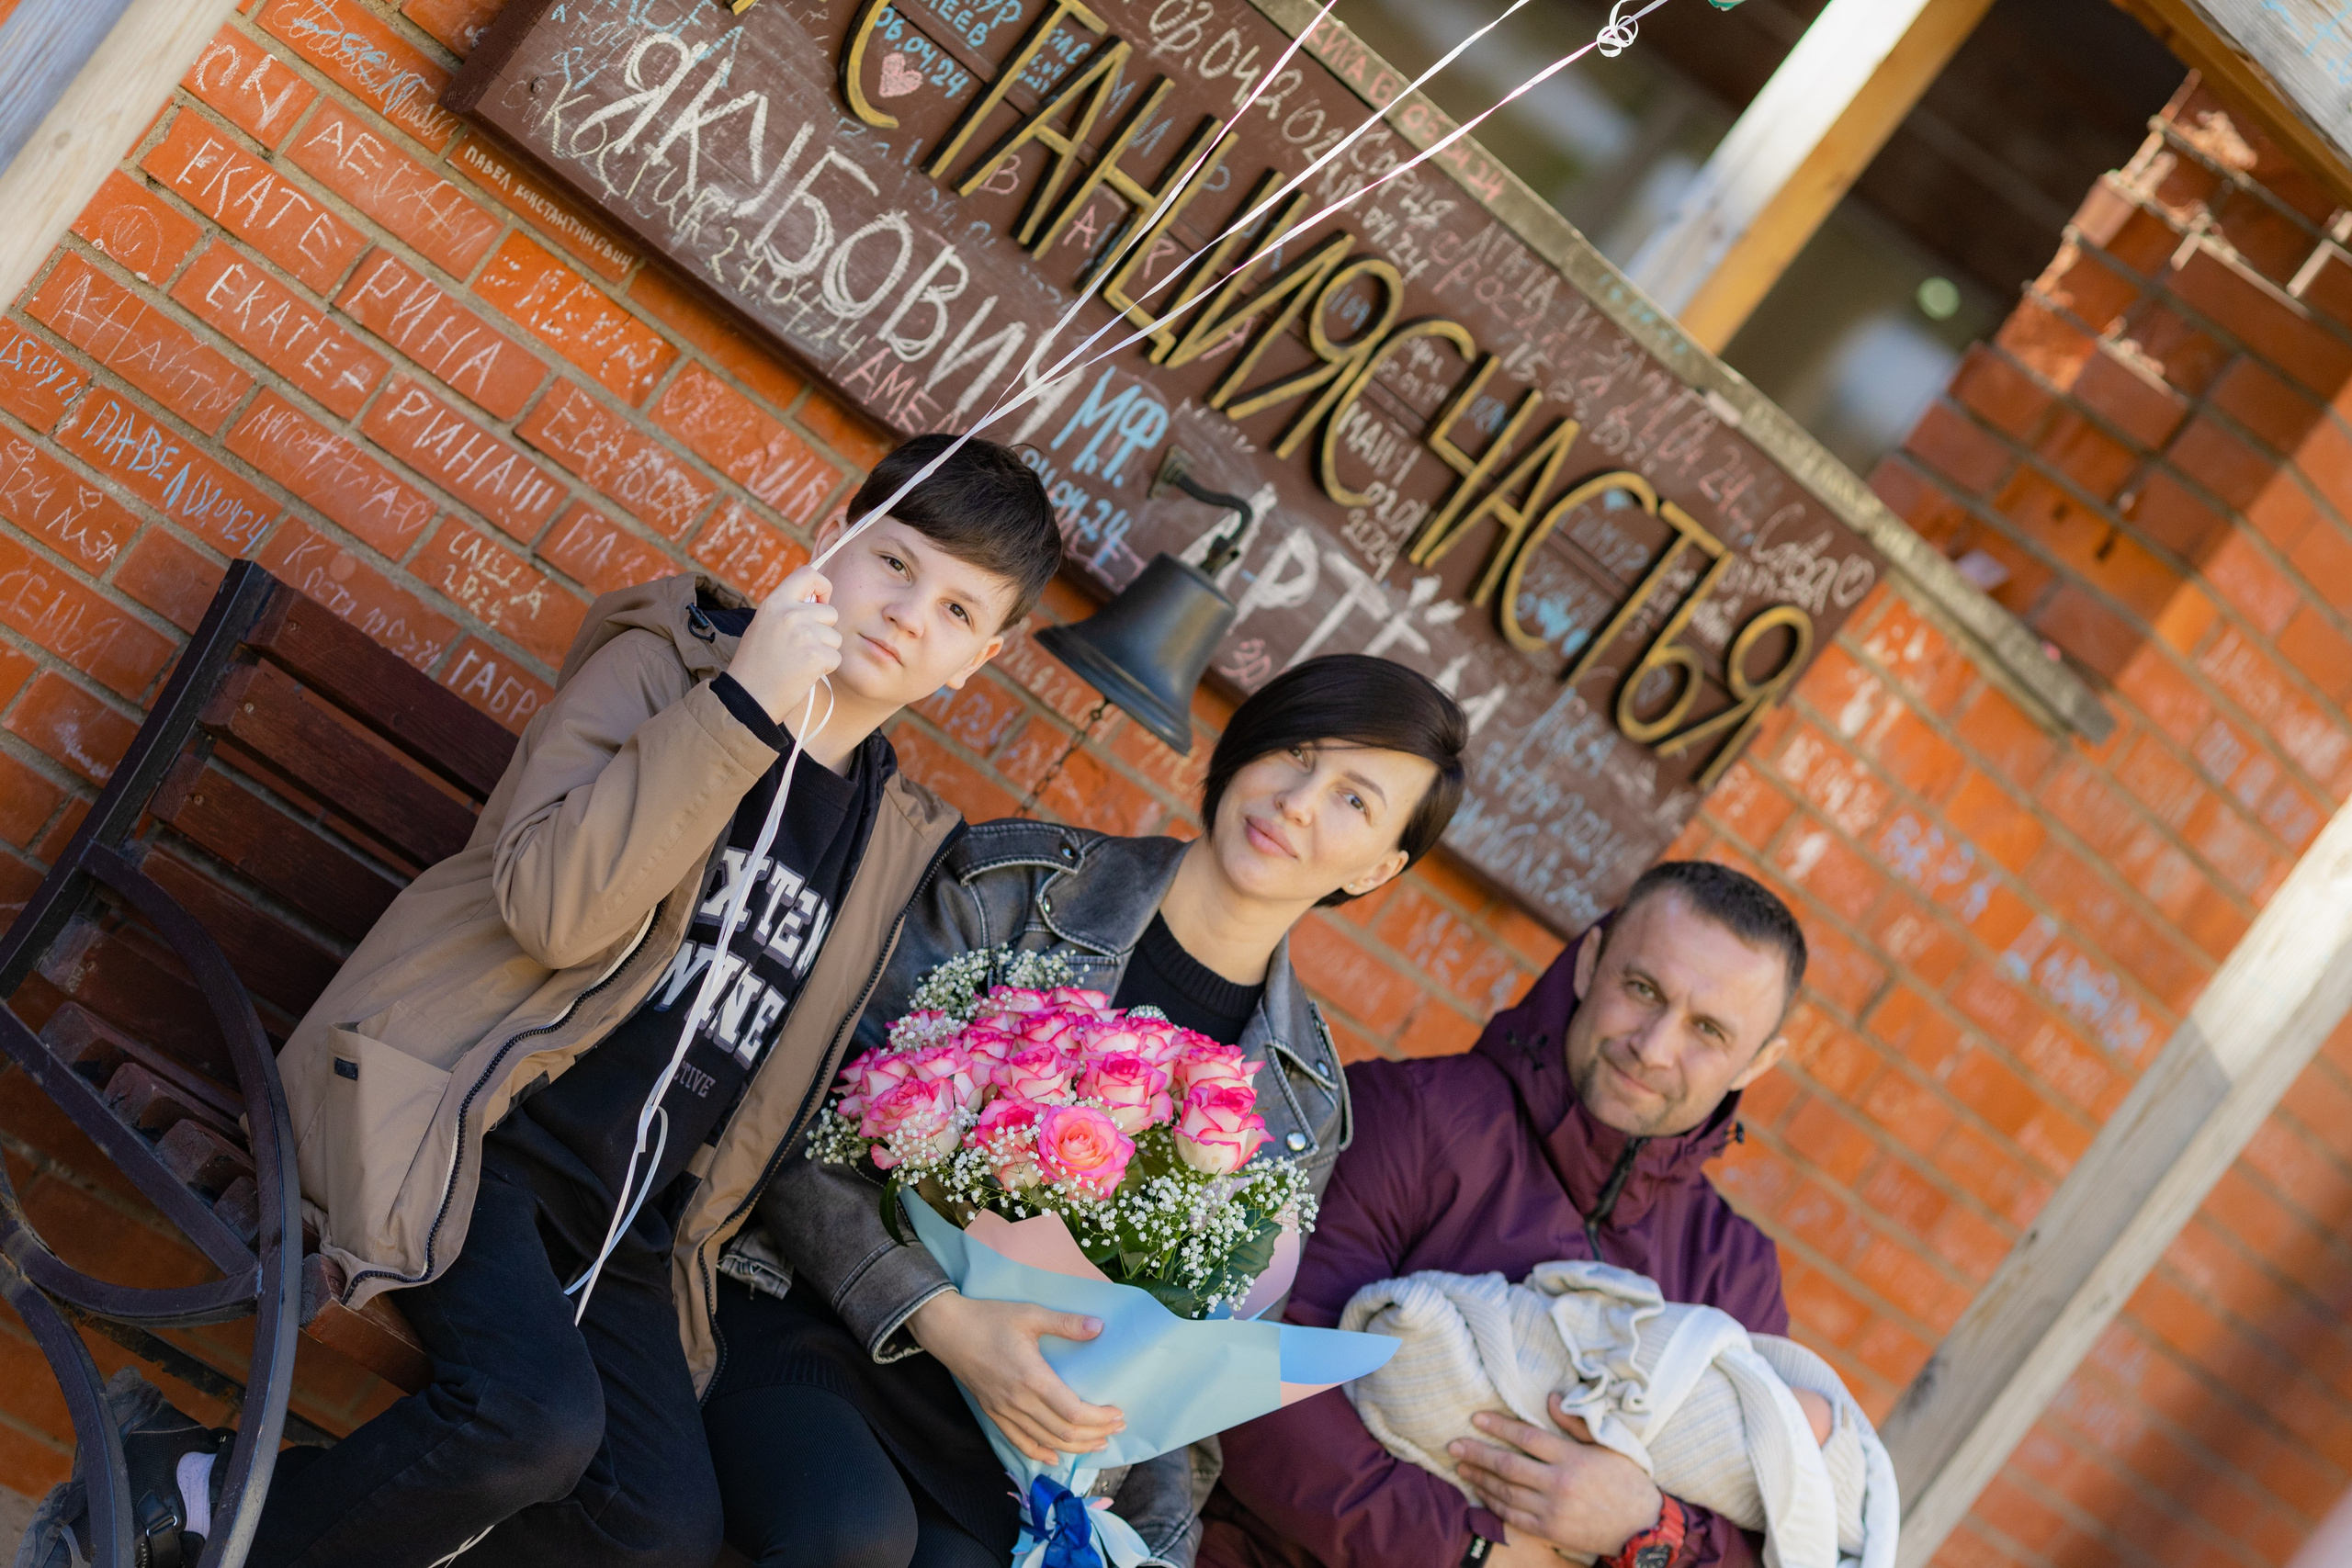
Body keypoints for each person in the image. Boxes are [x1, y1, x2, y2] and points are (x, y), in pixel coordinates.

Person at [24, 435, 1065, 1568]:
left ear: (980, 660)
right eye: (898, 562)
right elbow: (554, 911)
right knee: (529, 1421)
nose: (912, 614)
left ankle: (199, 1482)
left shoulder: (889, 838)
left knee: (656, 1534)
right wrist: (746, 710)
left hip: (621, 1221)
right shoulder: (667, 669)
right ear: (837, 537)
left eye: (960, 613)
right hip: (465, 1122)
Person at [699, 654, 1472, 1568]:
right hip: (825, 1327)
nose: (1299, 801)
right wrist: (939, 1313)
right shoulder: (1018, 892)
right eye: (1296, 752)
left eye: (1354, 799)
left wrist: (1146, 1549)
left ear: (1381, 864)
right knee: (848, 1535)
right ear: (1248, 748)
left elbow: (1201, 1368)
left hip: (1008, 1445)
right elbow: (798, 1114)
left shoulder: (1302, 1102)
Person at [1199, 860, 1805, 1568]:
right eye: (1642, 989)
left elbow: (1771, 1529)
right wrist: (1475, 1551)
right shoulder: (1412, 1116)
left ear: (1756, 1064)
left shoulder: (1736, 1274)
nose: (1655, 1045)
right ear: (1588, 964)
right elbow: (1255, 1369)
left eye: (1708, 1029)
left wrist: (1648, 1527)